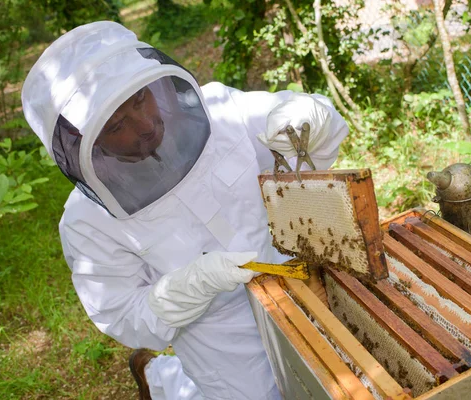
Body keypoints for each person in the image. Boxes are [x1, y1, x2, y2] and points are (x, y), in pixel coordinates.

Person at [21, 21, 348, 400]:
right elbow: (122, 315)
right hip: (218, 339)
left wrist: (308, 117)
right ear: (80, 141)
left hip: (305, 288)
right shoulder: (86, 223)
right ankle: (159, 377)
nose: (144, 125)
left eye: (140, 100)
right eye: (117, 125)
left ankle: (160, 372)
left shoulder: (223, 110)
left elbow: (313, 133)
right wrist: (187, 288)